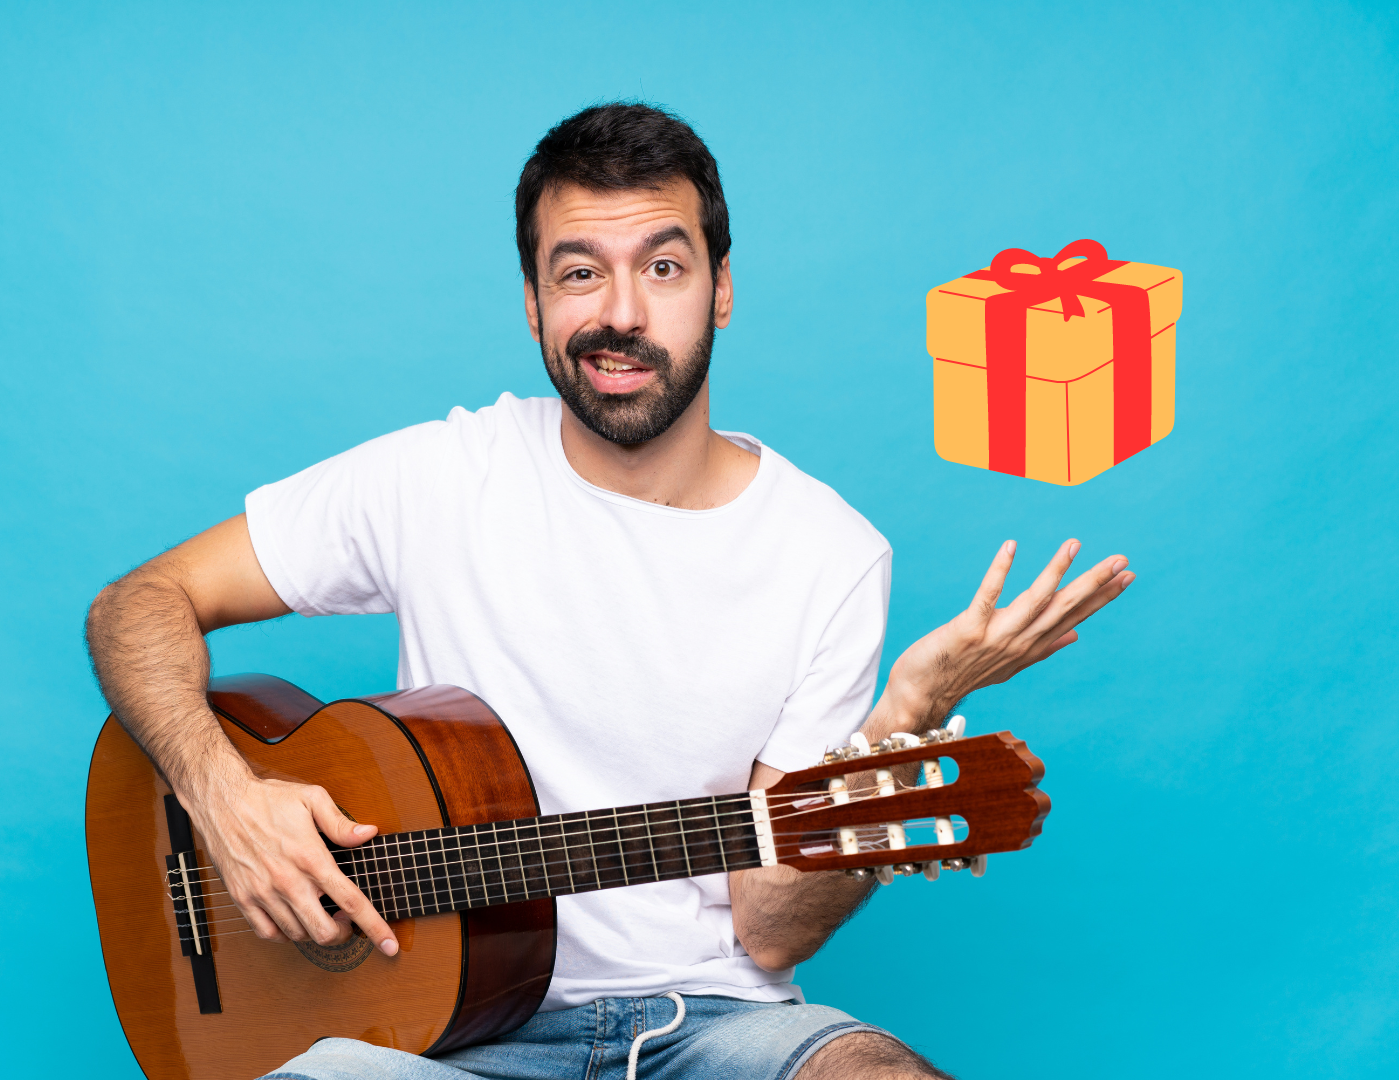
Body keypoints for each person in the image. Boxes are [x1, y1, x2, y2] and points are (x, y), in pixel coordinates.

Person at [85, 103, 1132, 1080]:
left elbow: (768, 929)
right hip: (438, 1038)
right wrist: (223, 798)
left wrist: (899, 726)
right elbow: (139, 603)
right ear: (534, 302)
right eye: (578, 273)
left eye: (662, 267)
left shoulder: (829, 551)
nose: (619, 314)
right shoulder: (439, 476)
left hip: (717, 1025)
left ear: (720, 287)